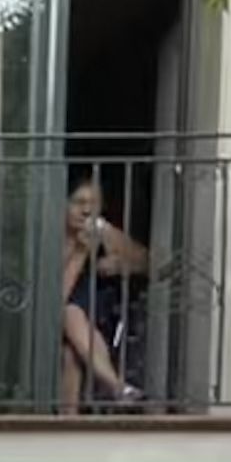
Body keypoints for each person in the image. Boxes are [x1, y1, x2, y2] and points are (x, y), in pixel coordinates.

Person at [60, 176, 150, 412]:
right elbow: (55, 299)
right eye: (79, 202)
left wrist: (121, 262)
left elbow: (150, 263)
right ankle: (117, 387)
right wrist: (81, 253)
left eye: (94, 203)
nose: (86, 210)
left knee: (71, 355)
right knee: (69, 313)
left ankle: (67, 431)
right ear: (63, 204)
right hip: (50, 322)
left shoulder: (101, 232)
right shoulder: (53, 240)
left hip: (101, 319)